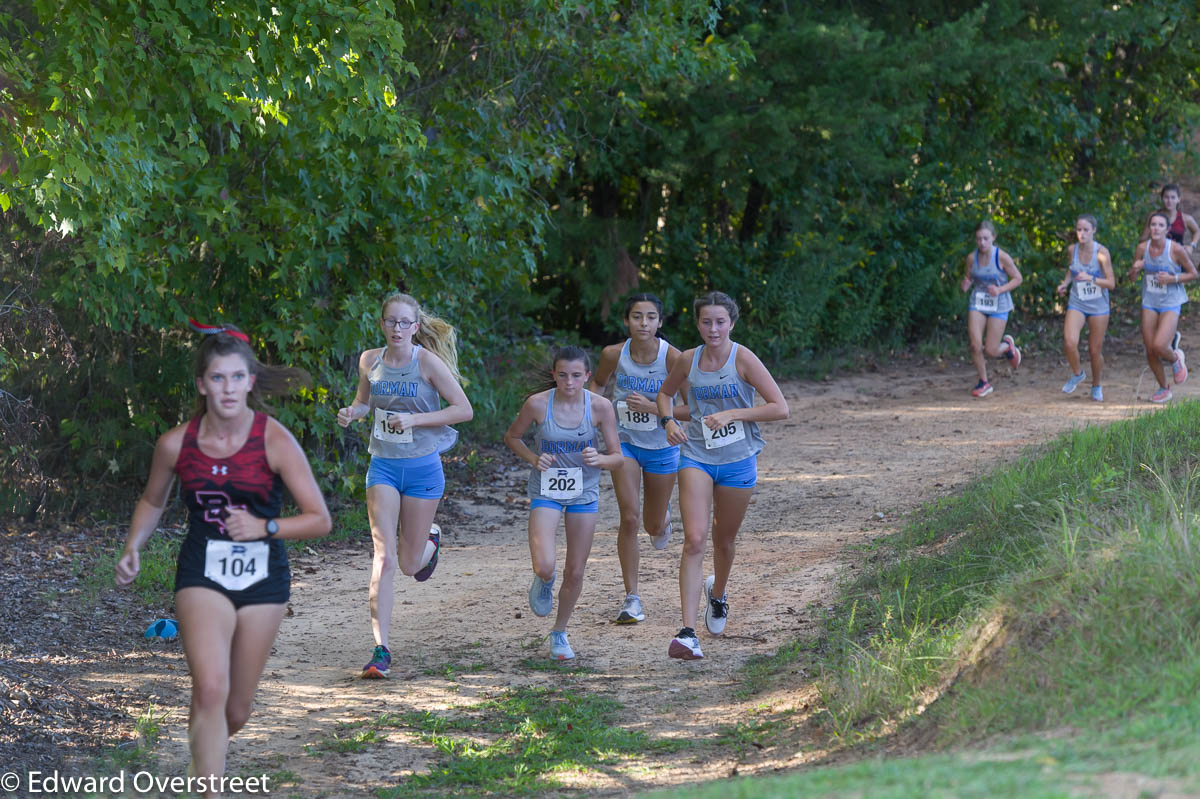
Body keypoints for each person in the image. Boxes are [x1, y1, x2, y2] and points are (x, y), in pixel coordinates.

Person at [116, 321, 332, 796]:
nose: (228, 388)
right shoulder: (176, 443)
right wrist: (134, 546)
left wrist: (265, 527)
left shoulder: (273, 439)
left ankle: (204, 751)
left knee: (235, 710)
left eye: (237, 377)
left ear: (251, 382)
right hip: (203, 571)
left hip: (263, 579)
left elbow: (320, 519)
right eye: (218, 378)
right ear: (201, 384)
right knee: (210, 688)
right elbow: (153, 501)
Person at [336, 293, 473, 678]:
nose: (397, 329)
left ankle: (430, 538)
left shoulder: (427, 363)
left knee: (411, 564)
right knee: (385, 558)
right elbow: (364, 402)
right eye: (390, 322)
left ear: (415, 327)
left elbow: (464, 409)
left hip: (423, 469)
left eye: (404, 323)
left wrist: (415, 421)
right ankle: (381, 650)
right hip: (382, 467)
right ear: (381, 324)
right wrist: (353, 412)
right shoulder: (369, 360)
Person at [655, 292, 789, 660]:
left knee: (723, 540)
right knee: (695, 539)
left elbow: (780, 407)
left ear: (732, 323)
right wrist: (667, 422)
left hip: (738, 459)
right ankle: (687, 633)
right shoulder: (687, 360)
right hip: (696, 455)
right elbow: (664, 395)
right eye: (705, 322)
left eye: (719, 322)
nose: (712, 329)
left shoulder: (742, 358)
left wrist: (734, 414)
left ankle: (718, 596)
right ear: (697, 324)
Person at [504, 346, 624, 660]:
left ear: (587, 376)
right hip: (546, 490)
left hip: (584, 492)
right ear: (554, 375)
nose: (569, 382)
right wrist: (533, 457)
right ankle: (544, 580)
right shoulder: (538, 404)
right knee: (545, 564)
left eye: (575, 376)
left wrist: (599, 458)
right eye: (562, 375)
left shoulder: (600, 407)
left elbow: (617, 457)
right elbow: (513, 437)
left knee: (575, 571)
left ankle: (559, 632)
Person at [589, 294, 688, 624]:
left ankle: (663, 519)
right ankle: (632, 598)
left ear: (660, 322)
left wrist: (654, 408)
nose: (643, 323)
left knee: (651, 525)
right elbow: (597, 387)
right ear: (627, 320)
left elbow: (691, 408)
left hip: (661, 448)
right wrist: (582, 421)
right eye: (636, 317)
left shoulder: (673, 358)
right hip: (625, 445)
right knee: (629, 518)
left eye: (650, 317)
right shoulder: (613, 354)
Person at [1130, 212, 1197, 402]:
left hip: (1171, 301)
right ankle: (1163, 388)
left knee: (1160, 345)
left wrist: (1172, 279)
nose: (1156, 228)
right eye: (1153, 225)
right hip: (1150, 302)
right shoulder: (1142, 248)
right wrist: (1134, 269)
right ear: (1149, 228)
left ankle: (1176, 357)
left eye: (1160, 225)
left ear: (1167, 229)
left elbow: (1193, 274)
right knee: (1150, 349)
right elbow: (1132, 279)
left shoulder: (1175, 250)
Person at [960, 220, 1024, 397]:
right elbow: (969, 277)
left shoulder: (1001, 257)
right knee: (975, 345)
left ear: (993, 238)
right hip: (978, 302)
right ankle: (984, 382)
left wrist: (1000, 289)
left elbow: (1018, 278)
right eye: (979, 239)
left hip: (999, 304)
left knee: (991, 350)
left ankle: (1008, 347)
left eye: (985, 238)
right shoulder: (972, 258)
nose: (982, 243)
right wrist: (966, 284)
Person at [1056, 214, 1115, 402]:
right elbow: (1071, 271)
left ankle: (1096, 385)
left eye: (1086, 230)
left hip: (1098, 306)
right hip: (1078, 301)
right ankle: (1078, 373)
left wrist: (1091, 278)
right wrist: (1064, 283)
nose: (1082, 234)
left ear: (1094, 231)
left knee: (1094, 350)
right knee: (1069, 341)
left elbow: (1111, 283)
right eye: (1079, 230)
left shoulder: (1102, 253)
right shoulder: (1072, 249)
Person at [1141, 183, 1200, 252]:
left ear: (1178, 199)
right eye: (1166, 197)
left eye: (1173, 197)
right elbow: (1143, 239)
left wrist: (1192, 245)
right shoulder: (1154, 216)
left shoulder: (1185, 218)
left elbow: (1197, 231)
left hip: (1178, 258)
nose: (1169, 201)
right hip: (1156, 257)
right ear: (1161, 198)